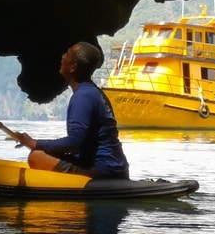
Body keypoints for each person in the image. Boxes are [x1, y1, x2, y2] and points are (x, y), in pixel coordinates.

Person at [14, 41, 129, 179]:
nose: (62, 56)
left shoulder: (82, 97)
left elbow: (75, 143)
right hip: (117, 167)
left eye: (67, 54)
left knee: (36, 156)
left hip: (102, 170)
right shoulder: (94, 92)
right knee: (46, 153)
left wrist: (35, 143)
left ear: (73, 67)